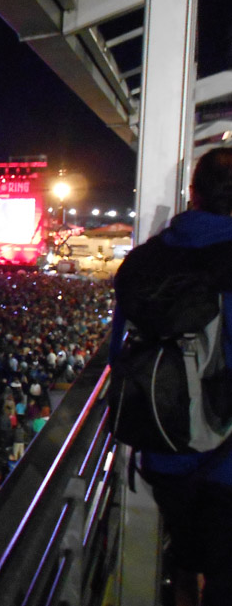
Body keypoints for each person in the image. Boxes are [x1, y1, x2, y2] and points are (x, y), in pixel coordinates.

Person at [111, 147, 232, 606]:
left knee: (184, 554)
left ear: (192, 194)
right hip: (224, 457)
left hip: (161, 443)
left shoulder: (146, 259)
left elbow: (117, 351)